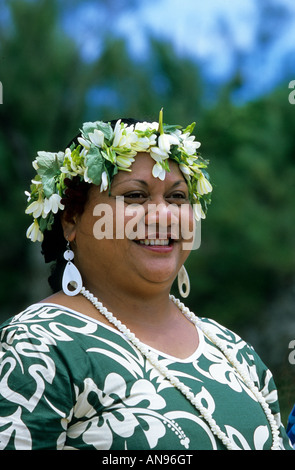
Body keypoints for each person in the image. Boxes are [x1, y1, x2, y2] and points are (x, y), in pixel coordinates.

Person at [0, 110, 292, 450]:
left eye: (177, 196)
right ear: (71, 220)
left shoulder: (234, 352)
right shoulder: (35, 345)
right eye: (135, 196)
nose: (163, 214)